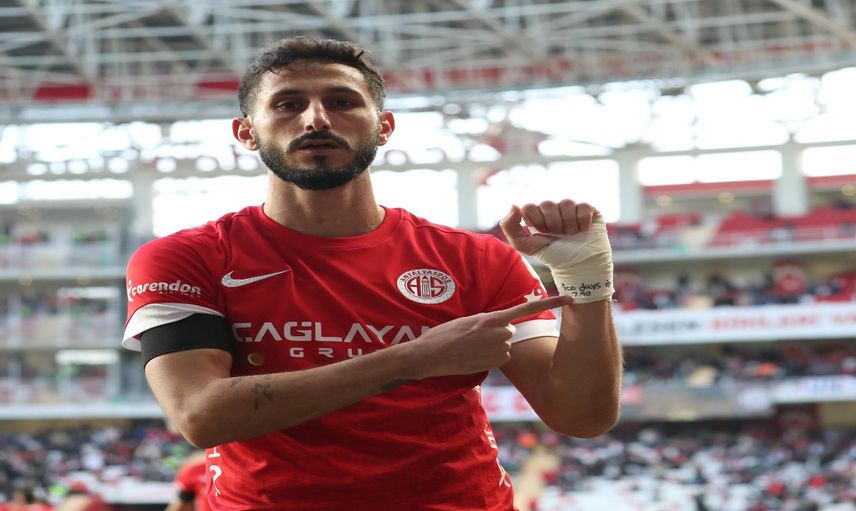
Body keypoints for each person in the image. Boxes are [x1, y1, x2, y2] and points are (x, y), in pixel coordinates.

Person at [123, 36, 622, 510]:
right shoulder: (186, 257)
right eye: (288, 104)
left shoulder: (478, 259)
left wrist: (587, 282)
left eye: (342, 102)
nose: (316, 118)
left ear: (383, 127)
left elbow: (582, 415)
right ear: (246, 132)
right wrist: (418, 357)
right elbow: (202, 415)